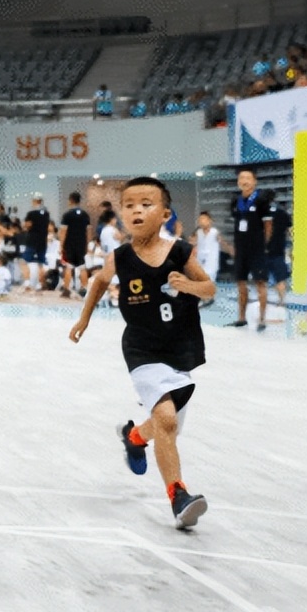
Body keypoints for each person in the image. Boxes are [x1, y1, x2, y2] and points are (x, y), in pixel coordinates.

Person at [69, 177, 216, 530]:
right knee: (166, 420)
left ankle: (134, 438)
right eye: (130, 204)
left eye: (146, 204)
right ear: (122, 214)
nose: (136, 210)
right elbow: (100, 282)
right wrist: (84, 318)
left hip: (179, 347)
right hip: (141, 347)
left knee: (167, 426)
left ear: (165, 213)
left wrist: (189, 285)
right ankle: (179, 497)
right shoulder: (119, 257)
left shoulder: (181, 252)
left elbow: (209, 288)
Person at [228, 168, 272, 330]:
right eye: (241, 178)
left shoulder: (261, 200)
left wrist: (264, 246)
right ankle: (241, 318)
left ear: (254, 181)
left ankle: (262, 319)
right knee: (241, 283)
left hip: (257, 250)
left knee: (260, 283)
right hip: (241, 250)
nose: (244, 181)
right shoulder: (235, 201)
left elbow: (268, 225)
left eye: (247, 178)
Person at [58, 191, 91, 299]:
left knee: (68, 266)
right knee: (82, 266)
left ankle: (67, 290)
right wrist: (87, 244)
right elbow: (88, 232)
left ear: (71, 200)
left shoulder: (67, 215)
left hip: (70, 244)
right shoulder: (85, 215)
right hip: (81, 244)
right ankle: (84, 289)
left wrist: (61, 245)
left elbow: (63, 231)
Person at [265, 193, 292, 308]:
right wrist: (289, 248)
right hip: (279, 251)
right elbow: (289, 232)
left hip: (264, 252)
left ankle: (263, 301)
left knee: (262, 279)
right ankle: (282, 302)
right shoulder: (283, 213)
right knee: (280, 279)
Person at [22, 195, 50, 291]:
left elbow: (28, 225)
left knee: (24, 261)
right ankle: (39, 284)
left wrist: (26, 226)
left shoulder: (31, 213)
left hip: (32, 240)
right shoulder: (46, 213)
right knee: (41, 263)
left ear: (34, 201)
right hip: (42, 241)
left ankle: (27, 282)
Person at [193, 212, 221, 305]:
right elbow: (193, 243)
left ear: (210, 221)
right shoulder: (198, 232)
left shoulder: (215, 232)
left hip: (211, 260)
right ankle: (202, 298)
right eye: (200, 219)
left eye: (204, 219)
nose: (202, 222)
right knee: (200, 279)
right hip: (200, 259)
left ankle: (209, 297)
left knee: (210, 278)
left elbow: (221, 242)